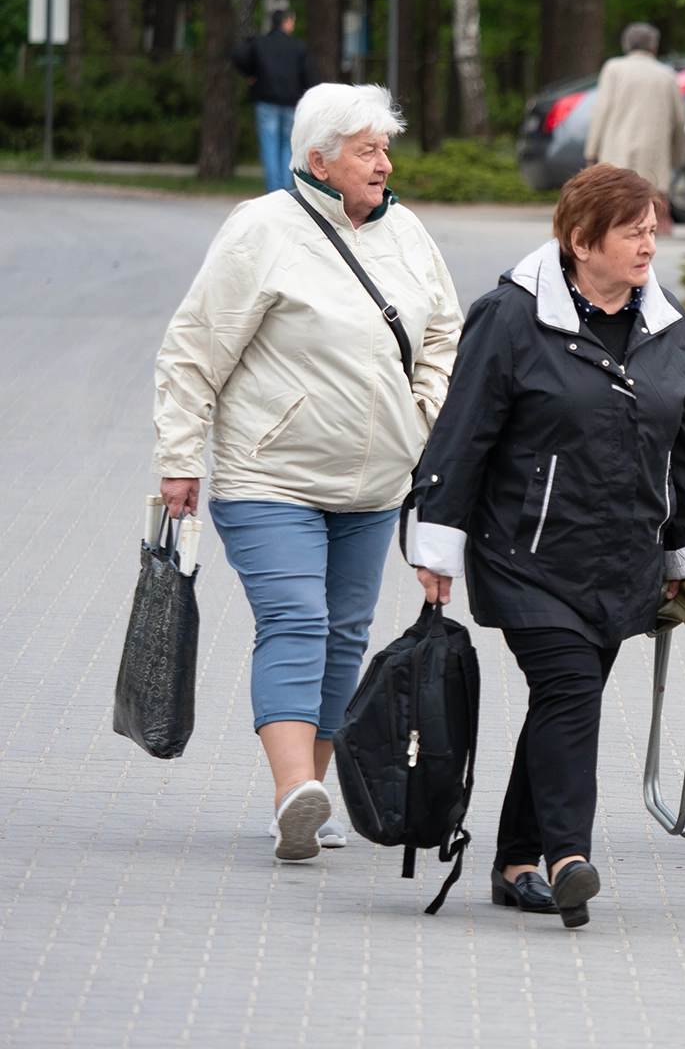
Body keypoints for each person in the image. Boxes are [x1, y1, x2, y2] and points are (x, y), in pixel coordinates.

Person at [152, 83, 463, 863]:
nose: (385, 163)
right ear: (319, 158)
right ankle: (294, 789)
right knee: (297, 619)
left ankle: (310, 800)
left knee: (344, 636)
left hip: (375, 486)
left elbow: (445, 339)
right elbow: (195, 346)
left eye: (386, 148)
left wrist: (421, 418)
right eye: (368, 150)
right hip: (271, 477)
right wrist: (180, 457)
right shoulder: (263, 229)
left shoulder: (410, 235)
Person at [407, 163, 685, 929]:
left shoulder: (669, 327)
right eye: (633, 231)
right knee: (571, 689)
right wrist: (434, 544)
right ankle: (567, 857)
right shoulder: (511, 317)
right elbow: (464, 430)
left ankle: (515, 862)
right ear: (582, 241)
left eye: (654, 228)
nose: (651, 243)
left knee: (559, 704)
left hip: (623, 563)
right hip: (525, 553)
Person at [583, 22, 685, 196]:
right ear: (654, 47)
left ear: (626, 45)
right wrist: (678, 158)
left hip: (616, 154)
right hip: (653, 159)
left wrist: (591, 152)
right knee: (649, 208)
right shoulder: (667, 75)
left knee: (616, 206)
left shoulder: (613, 69)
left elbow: (601, 112)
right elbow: (680, 120)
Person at [233, 9, 318, 194]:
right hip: (291, 103)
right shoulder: (298, 48)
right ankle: (286, 189)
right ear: (287, 22)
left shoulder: (259, 43)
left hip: (266, 100)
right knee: (287, 146)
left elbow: (238, 55)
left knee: (269, 145)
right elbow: (309, 78)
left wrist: (251, 73)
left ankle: (273, 191)